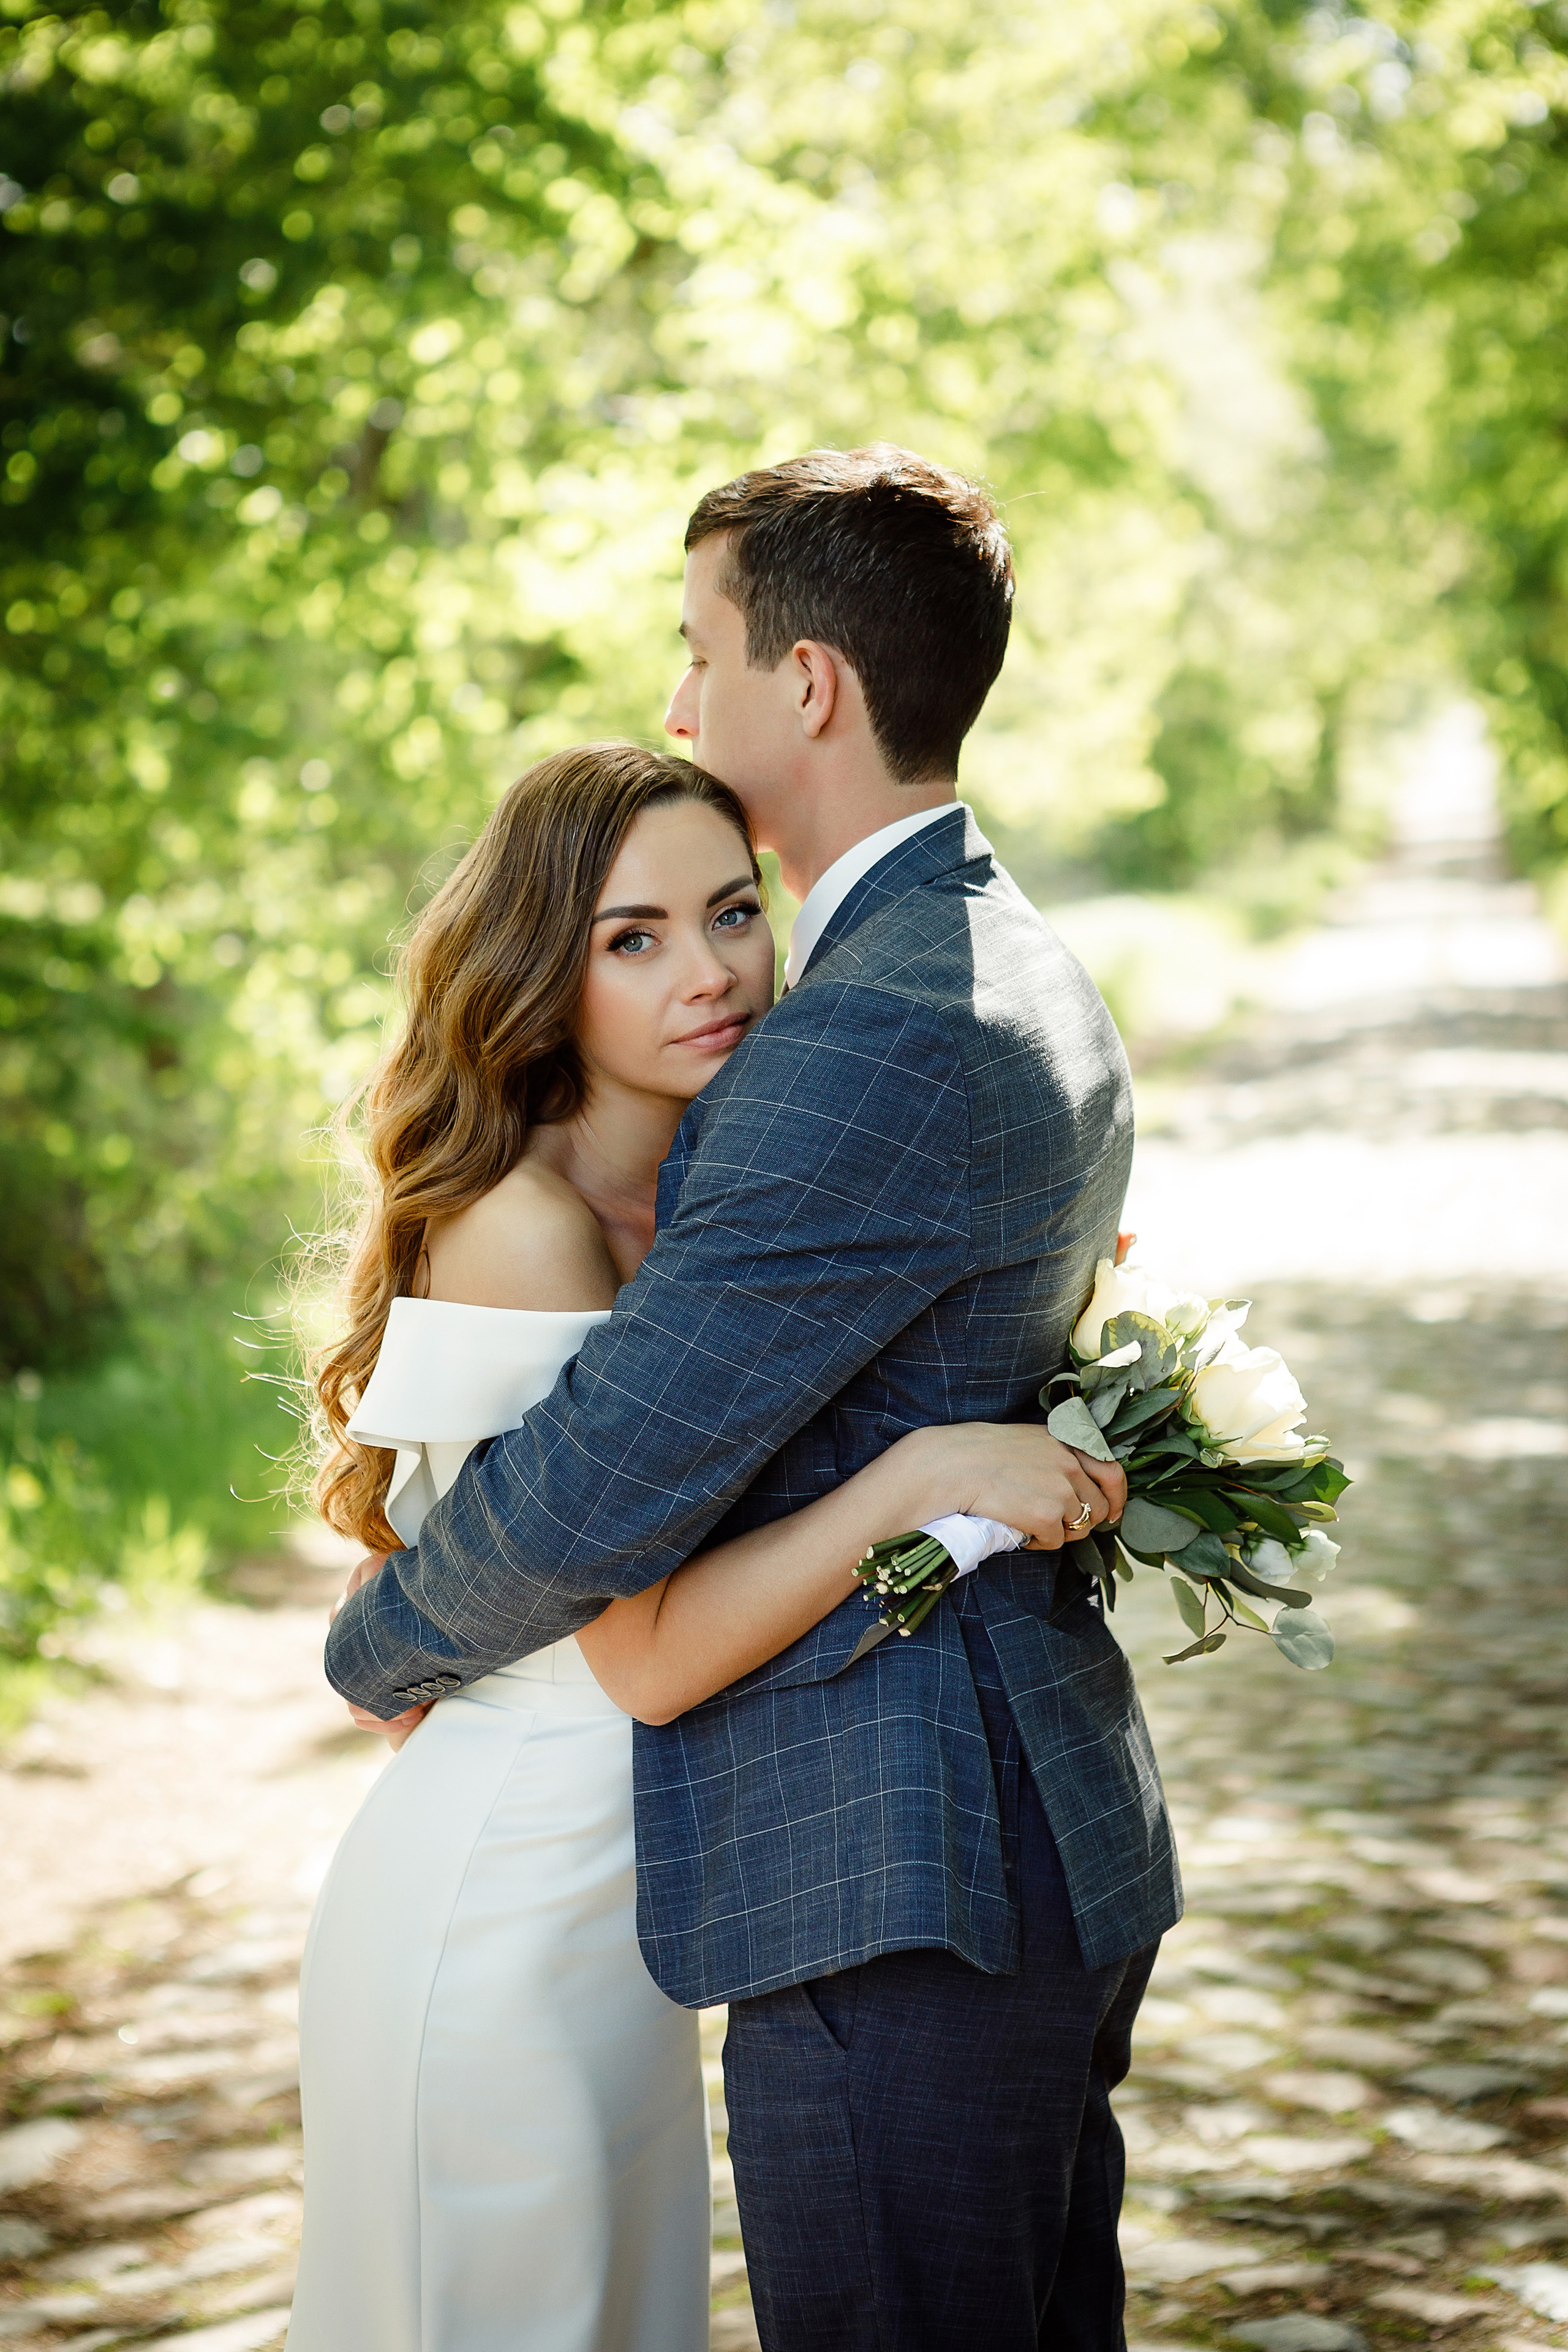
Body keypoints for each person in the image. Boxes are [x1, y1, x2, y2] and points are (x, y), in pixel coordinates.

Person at [326, 445, 1183, 2351]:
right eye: (633, 936)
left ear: (806, 683)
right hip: (981, 1838)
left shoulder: (866, 1031)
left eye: (699, 649)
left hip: (909, 1862)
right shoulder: (1002, 954)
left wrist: (378, 1642)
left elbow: (597, 1481)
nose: (675, 698)